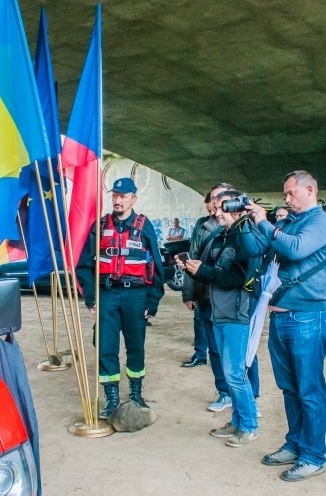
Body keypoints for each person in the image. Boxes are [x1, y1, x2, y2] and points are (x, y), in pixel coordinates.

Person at [248, 170, 326, 482]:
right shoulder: (287, 222)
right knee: (289, 388)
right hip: (282, 318)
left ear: (310, 189)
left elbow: (296, 249)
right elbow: (263, 252)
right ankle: (296, 443)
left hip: (309, 318)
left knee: (309, 389)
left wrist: (264, 223)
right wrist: (247, 223)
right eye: (284, 194)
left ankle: (314, 455)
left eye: (290, 193)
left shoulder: (321, 221)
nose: (285, 199)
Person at [76, 177, 165, 419]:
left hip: (136, 295)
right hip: (108, 294)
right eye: (115, 195)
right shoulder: (100, 225)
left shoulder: (144, 225)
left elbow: (156, 265)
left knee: (135, 346)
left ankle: (135, 394)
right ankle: (112, 397)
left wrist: (152, 301)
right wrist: (91, 297)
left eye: (123, 196)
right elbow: (83, 265)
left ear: (133, 199)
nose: (118, 200)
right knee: (105, 346)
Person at [182, 190, 265, 447]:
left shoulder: (246, 237)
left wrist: (204, 271)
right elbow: (215, 273)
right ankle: (238, 421)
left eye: (221, 208)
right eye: (215, 207)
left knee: (235, 374)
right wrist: (194, 270)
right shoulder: (224, 236)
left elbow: (238, 278)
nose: (216, 212)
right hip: (219, 312)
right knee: (231, 375)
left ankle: (249, 425)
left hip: (236, 314)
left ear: (236, 209)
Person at [180, 192, 217, 369]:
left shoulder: (235, 226)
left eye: (214, 210)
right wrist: (188, 293)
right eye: (208, 211)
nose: (211, 215)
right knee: (200, 320)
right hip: (202, 285)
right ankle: (200, 354)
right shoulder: (201, 225)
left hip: (222, 287)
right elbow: (192, 257)